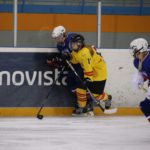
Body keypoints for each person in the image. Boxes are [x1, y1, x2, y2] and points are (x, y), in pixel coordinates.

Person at [48, 25, 94, 115]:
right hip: (73, 65)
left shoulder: (72, 37)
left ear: (63, 34)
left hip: (82, 65)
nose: (56, 40)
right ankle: (80, 103)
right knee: (70, 85)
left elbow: (82, 49)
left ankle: (88, 104)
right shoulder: (59, 46)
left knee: (80, 83)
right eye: (55, 38)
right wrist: (59, 60)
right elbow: (66, 57)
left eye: (57, 37)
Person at [64, 34, 112, 116]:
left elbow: (88, 68)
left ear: (79, 44)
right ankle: (82, 107)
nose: (72, 45)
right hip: (88, 72)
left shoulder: (85, 53)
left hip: (99, 72)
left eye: (73, 43)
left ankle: (107, 98)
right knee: (80, 89)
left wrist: (88, 79)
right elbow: (75, 60)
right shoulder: (77, 51)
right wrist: (69, 57)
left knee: (96, 96)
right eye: (71, 43)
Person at [130, 38, 150, 123]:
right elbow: (144, 73)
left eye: (135, 49)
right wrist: (140, 79)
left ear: (142, 48)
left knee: (145, 106)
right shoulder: (136, 62)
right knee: (145, 106)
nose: (134, 52)